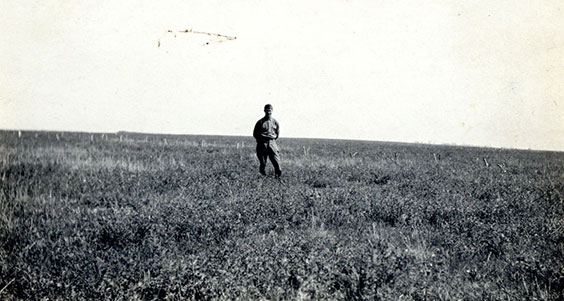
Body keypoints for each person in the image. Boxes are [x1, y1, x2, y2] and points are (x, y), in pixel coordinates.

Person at [253, 104, 282, 177]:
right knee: (263, 163)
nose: (269, 111)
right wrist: (261, 141)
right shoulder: (260, 122)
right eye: (267, 110)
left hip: (272, 143)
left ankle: (277, 179)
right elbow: (255, 134)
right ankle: (262, 179)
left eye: (270, 110)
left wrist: (271, 140)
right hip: (262, 144)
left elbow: (277, 134)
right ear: (264, 110)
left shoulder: (275, 122)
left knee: (277, 164)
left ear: (272, 111)